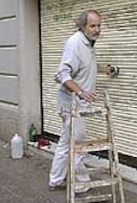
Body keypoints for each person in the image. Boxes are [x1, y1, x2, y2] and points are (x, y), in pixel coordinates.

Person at [49, 10, 114, 193]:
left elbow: (85, 67)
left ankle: (55, 180)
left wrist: (104, 69)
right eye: (93, 26)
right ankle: (82, 184)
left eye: (99, 25)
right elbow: (62, 74)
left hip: (77, 103)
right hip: (72, 104)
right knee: (78, 143)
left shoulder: (88, 44)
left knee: (66, 142)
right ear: (83, 26)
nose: (97, 30)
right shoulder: (75, 43)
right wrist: (81, 92)